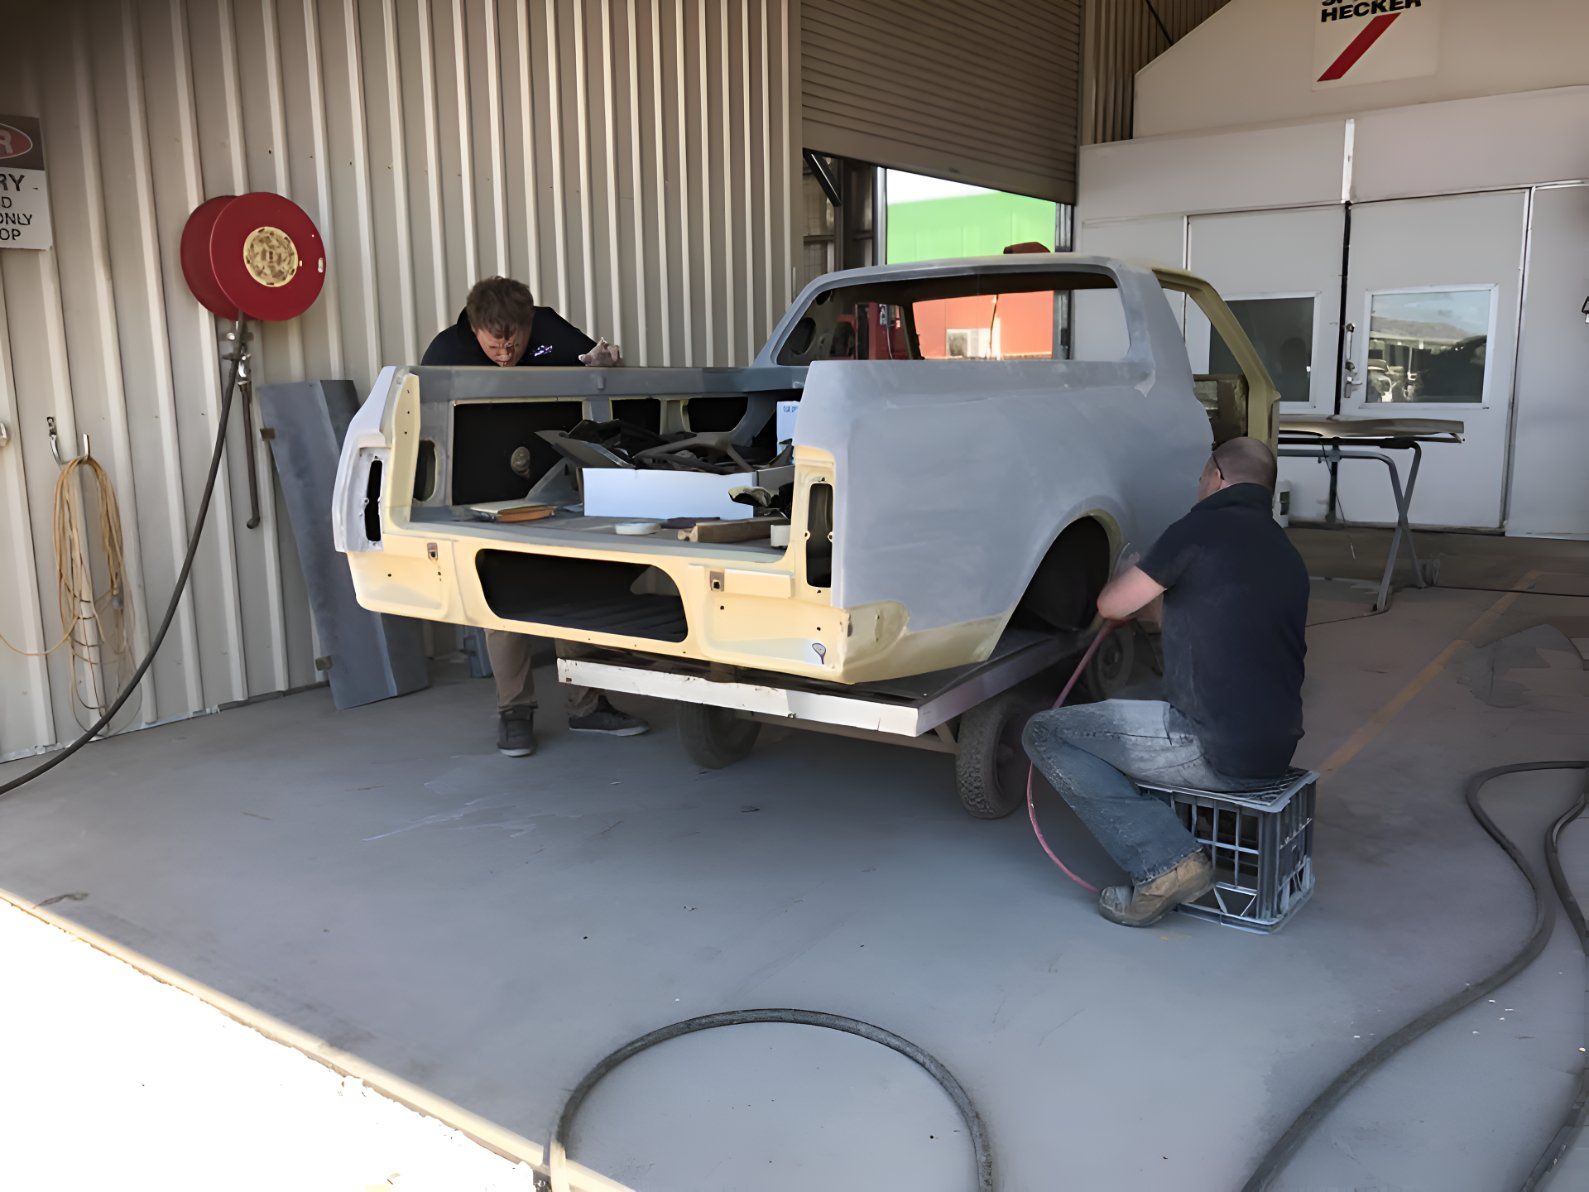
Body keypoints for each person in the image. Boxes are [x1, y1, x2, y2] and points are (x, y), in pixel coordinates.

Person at [1023, 437, 1308, 927]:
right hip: (1273, 747)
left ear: (1217, 475)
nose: (1198, 486)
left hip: (1211, 747)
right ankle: (1176, 840)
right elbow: (1194, 612)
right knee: (1131, 710)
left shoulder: (1198, 529)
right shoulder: (1282, 550)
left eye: (1201, 477)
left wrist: (1132, 570)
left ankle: (1165, 866)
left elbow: (1112, 605)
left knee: (1045, 733)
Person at [422, 276, 648, 757]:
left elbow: (599, 371)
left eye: (515, 343)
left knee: (570, 588)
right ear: (475, 328)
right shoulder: (447, 349)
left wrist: (606, 366)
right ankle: (514, 712)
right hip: (481, 494)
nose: (505, 353)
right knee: (500, 603)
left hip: (551, 484)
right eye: (494, 344)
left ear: (529, 324)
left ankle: (586, 705)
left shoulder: (549, 329)